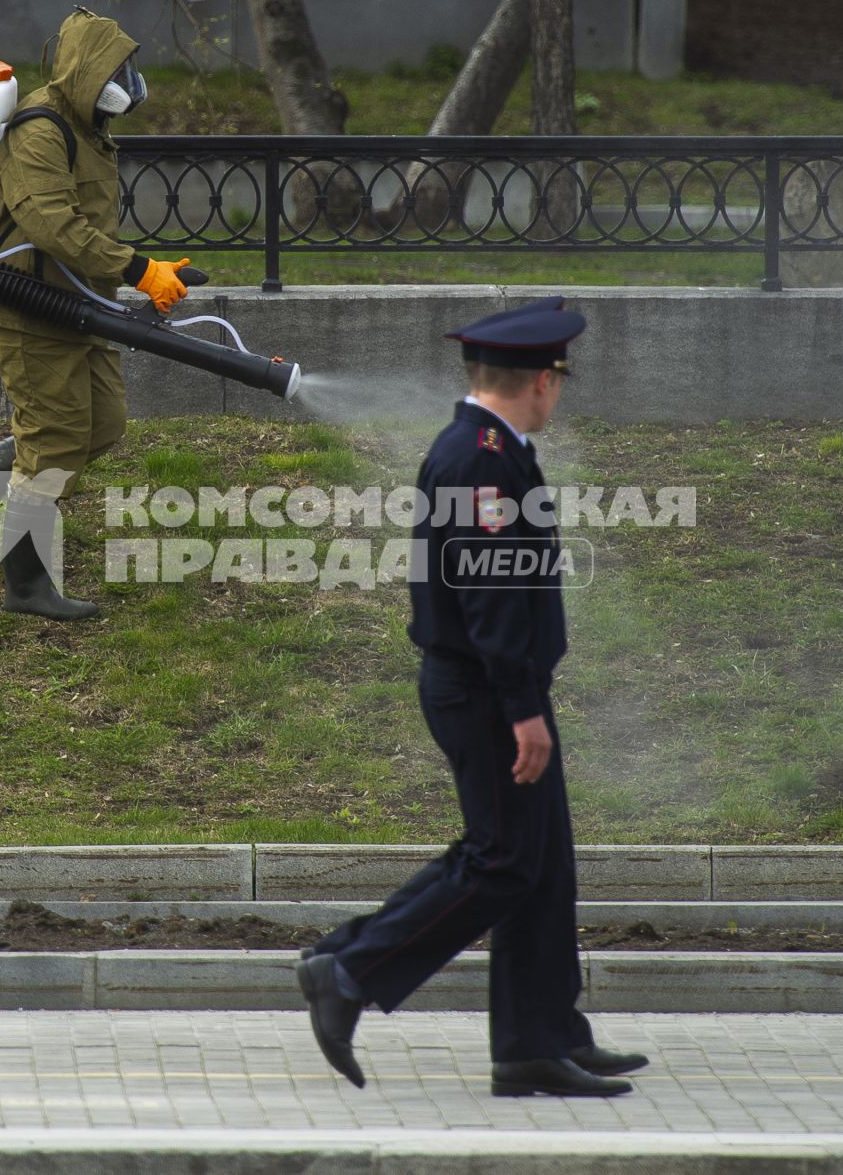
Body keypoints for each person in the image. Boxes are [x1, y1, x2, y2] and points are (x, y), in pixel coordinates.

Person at [294, 298, 650, 1099]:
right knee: (501, 860)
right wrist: (522, 706)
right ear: (540, 381)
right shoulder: (481, 457)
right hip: (488, 690)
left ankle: (540, 1039)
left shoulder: (493, 449)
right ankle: (349, 969)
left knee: (540, 864)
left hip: (501, 684)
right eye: (560, 377)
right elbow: (489, 593)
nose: (561, 391)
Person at [0, 7, 196, 621]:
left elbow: (87, 225)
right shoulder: (40, 130)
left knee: (101, 426)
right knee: (52, 446)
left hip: (78, 307)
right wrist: (137, 270)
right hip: (29, 311)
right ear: (85, 71)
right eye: (117, 70)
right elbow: (52, 224)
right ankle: (25, 586)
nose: (128, 82)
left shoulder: (87, 124)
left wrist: (155, 273)